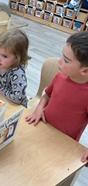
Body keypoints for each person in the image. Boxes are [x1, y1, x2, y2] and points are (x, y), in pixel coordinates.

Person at [25, 31, 88, 163]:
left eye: (66, 60)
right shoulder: (60, 76)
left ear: (85, 70)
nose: (59, 61)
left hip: (64, 143)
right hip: (42, 127)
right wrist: (38, 109)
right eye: (62, 56)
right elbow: (47, 95)